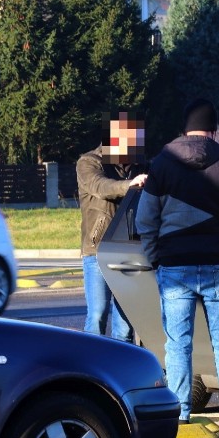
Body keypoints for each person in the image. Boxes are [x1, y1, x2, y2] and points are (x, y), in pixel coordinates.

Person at [135, 98, 219, 432]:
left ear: (184, 130)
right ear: (215, 130)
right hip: (218, 263)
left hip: (175, 266)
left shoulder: (162, 165)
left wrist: (155, 256)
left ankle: (180, 412)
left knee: (177, 343)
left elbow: (146, 218)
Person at [77, 111, 147, 342]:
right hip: (97, 251)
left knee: (126, 323)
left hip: (128, 251)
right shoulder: (88, 162)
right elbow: (101, 186)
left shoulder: (139, 165)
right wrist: (130, 185)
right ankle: (91, 370)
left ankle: (121, 372)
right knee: (97, 315)